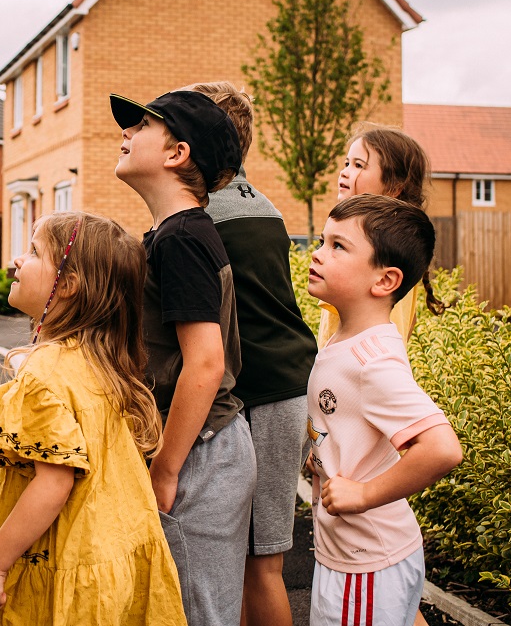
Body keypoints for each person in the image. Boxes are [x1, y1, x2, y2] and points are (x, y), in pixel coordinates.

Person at [0, 211, 185, 626]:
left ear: (69, 285)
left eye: (34, 251)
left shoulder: (46, 372)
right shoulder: (99, 362)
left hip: (62, 554)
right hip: (110, 549)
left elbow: (54, 481)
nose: (18, 260)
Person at [110, 89, 257, 626]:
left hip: (201, 451)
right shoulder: (170, 234)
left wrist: (166, 469)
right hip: (195, 444)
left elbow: (205, 363)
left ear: (177, 154)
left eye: (140, 126)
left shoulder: (182, 238)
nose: (124, 133)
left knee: (199, 612)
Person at [191, 82, 318, 626]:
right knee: (250, 560)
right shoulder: (260, 204)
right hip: (282, 381)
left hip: (265, 391)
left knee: (263, 561)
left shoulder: (209, 216)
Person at [305, 194, 462, 626]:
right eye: (322, 240)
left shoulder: (373, 360)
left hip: (367, 562)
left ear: (385, 280)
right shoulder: (346, 339)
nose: (318, 253)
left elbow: (443, 448)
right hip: (348, 555)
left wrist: (365, 494)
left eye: (338, 246)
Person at [320, 125, 445, 345]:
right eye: (347, 163)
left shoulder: (382, 249)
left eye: (359, 165)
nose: (345, 171)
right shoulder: (385, 243)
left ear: (395, 187)